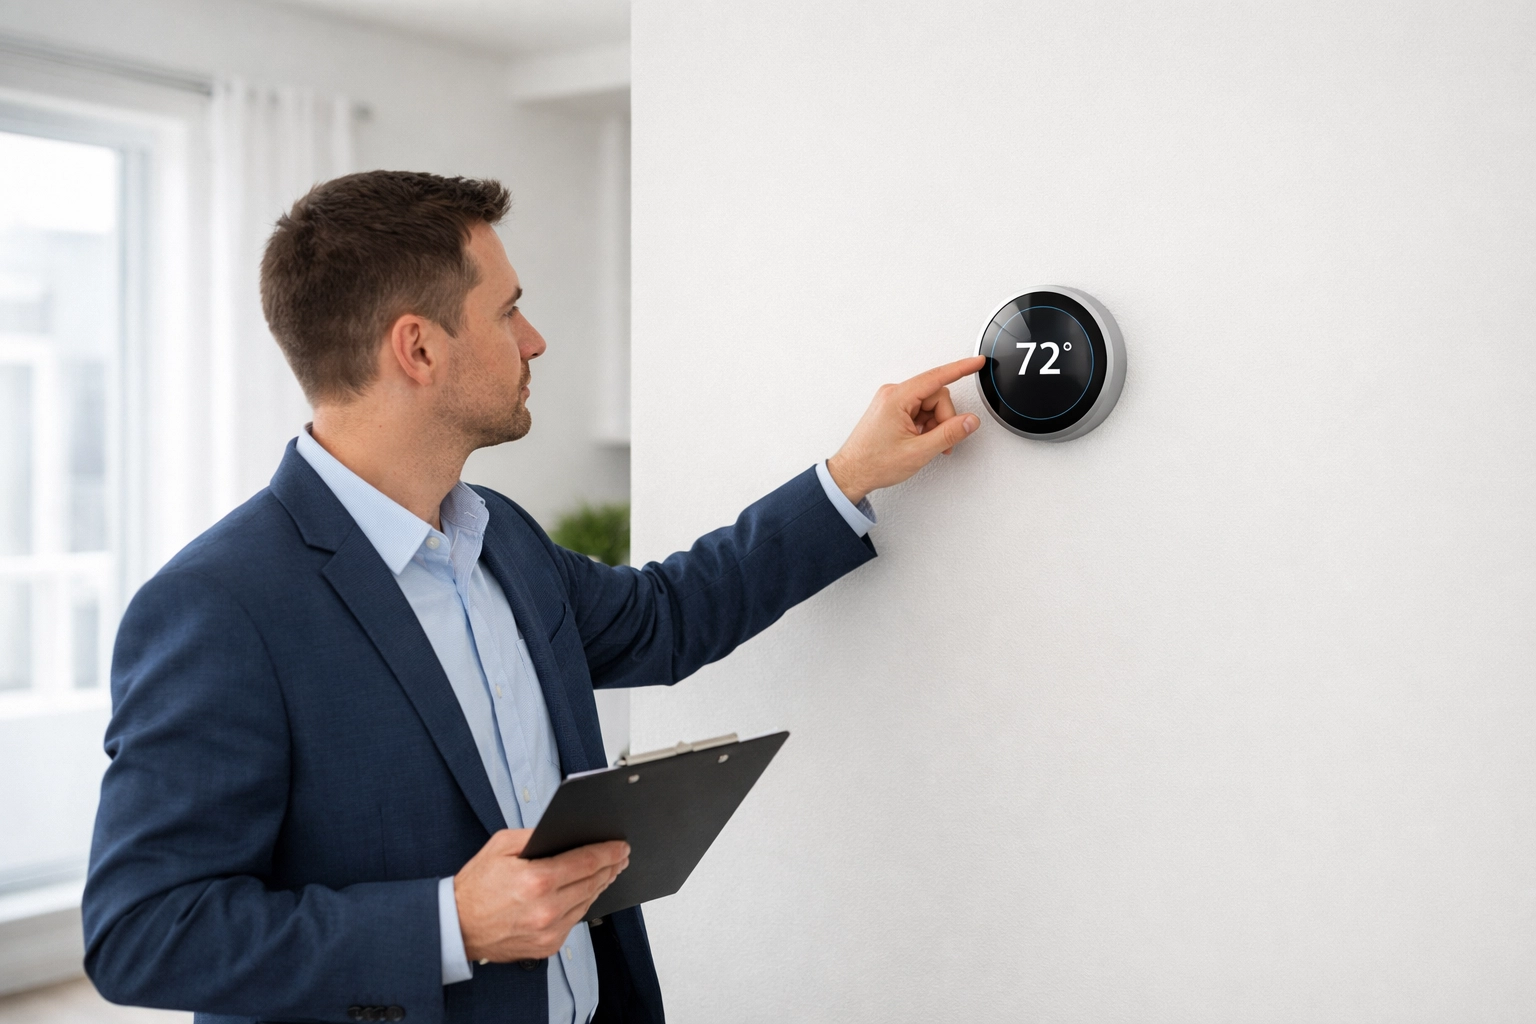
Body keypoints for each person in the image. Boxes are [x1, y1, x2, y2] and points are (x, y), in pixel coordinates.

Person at [81, 171, 984, 1024]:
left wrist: (850, 475)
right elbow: (143, 932)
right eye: (507, 310)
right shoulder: (218, 606)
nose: (534, 338)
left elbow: (665, 617)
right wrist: (449, 924)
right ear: (419, 346)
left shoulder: (498, 534)